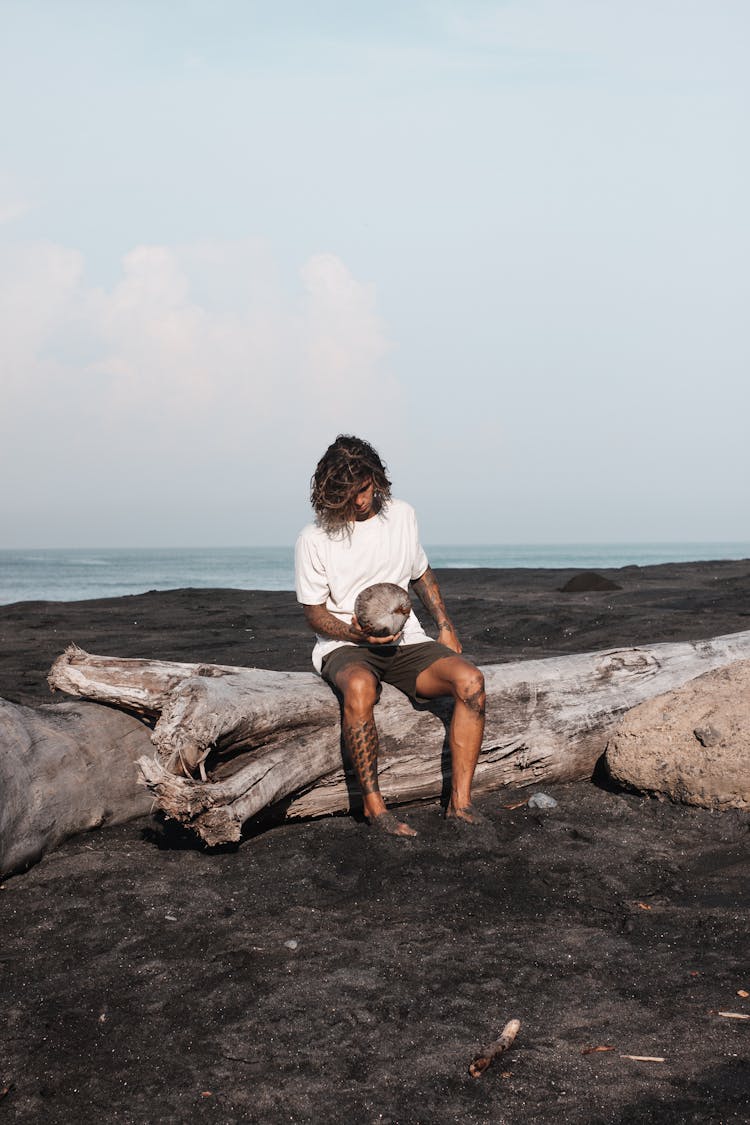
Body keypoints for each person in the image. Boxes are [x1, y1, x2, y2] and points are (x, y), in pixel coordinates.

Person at [294, 434, 486, 838]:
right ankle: (375, 807)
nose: (359, 501)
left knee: (471, 682)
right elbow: (313, 614)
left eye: (363, 489)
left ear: (376, 479)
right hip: (346, 645)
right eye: (348, 493)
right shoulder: (314, 538)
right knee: (360, 687)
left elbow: (420, 572)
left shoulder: (402, 516)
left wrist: (445, 625)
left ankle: (461, 804)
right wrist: (355, 634)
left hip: (407, 641)